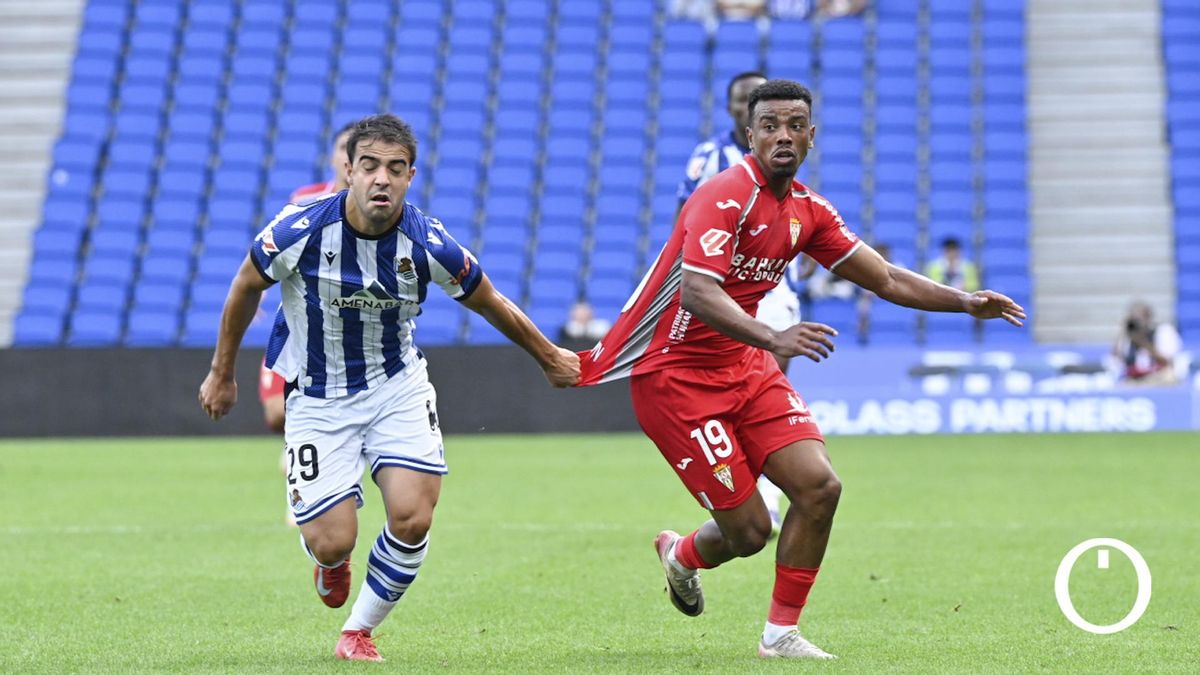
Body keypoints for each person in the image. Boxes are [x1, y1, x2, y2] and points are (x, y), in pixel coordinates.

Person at [576, 80, 1024, 659]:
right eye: (769, 125)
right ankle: (682, 554)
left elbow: (884, 277)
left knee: (819, 488)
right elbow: (696, 291)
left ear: (811, 137)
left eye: (794, 125)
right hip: (676, 378)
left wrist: (963, 301)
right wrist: (774, 334)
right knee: (749, 533)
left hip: (744, 366)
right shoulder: (722, 195)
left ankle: (780, 635)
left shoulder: (808, 211)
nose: (782, 135)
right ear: (750, 136)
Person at [198, 114, 580, 662]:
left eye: (395, 169)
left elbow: (489, 300)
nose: (382, 179)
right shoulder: (298, 230)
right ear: (348, 170)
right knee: (332, 540)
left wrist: (549, 358)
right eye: (370, 166)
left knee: (413, 515)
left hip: (396, 388)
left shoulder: (428, 243)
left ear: (411, 176)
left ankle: (358, 631)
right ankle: (331, 563)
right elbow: (244, 285)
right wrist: (221, 372)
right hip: (317, 395)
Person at [680, 70, 808, 534]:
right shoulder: (709, 158)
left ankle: (767, 496)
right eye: (740, 100)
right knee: (729, 390)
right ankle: (736, 489)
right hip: (717, 290)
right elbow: (685, 222)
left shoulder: (783, 160)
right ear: (737, 109)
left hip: (775, 292)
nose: (742, 106)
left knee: (769, 382)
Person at [258, 122, 359, 434]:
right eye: (343, 148)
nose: (348, 156)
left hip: (355, 328)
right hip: (299, 324)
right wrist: (258, 290)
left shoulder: (380, 211)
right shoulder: (305, 200)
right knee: (276, 413)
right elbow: (274, 246)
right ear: (333, 157)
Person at [1112, 301, 1183, 386]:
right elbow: (1116, 358)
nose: (1137, 322)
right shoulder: (1128, 336)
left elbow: (1167, 360)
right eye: (1134, 319)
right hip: (1135, 378)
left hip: (1158, 376)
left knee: (1169, 378)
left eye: (1140, 318)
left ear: (1148, 317)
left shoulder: (1163, 332)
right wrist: (1123, 331)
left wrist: (1143, 343)